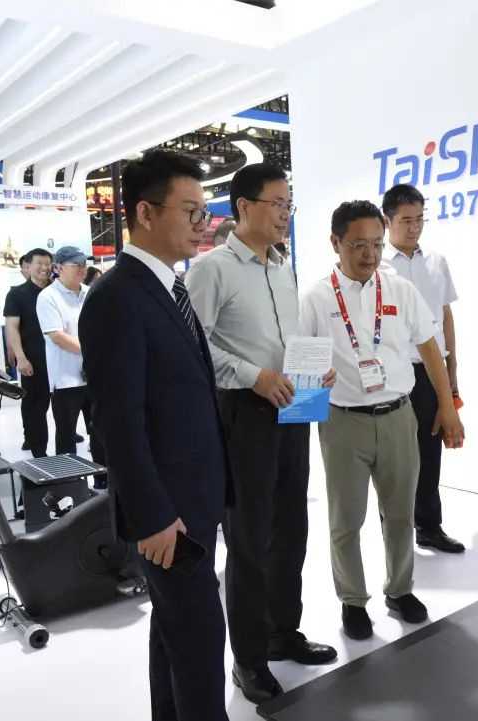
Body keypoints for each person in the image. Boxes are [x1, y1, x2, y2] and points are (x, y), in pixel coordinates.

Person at [79, 149, 231, 721]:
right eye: (190, 211)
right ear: (145, 213)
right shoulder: (117, 296)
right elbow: (116, 422)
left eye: (203, 212)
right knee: (199, 635)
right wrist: (153, 517)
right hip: (167, 513)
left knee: (176, 632)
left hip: (193, 499)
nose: (202, 224)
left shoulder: (169, 288)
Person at [186, 164, 336, 704]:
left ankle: (282, 632)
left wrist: (313, 370)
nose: (285, 215)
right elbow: (194, 345)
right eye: (277, 204)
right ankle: (248, 658)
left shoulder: (282, 266)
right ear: (244, 207)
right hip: (244, 412)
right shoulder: (211, 269)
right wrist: (253, 375)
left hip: (293, 405)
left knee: (291, 527)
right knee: (249, 539)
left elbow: (285, 338)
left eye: (289, 205)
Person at [300, 200, 465, 640]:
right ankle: (353, 601)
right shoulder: (316, 298)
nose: (370, 254)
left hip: (398, 417)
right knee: (346, 521)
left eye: (376, 244)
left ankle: (400, 589)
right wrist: (307, 402)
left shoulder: (399, 290)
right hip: (343, 422)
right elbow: (303, 372)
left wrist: (447, 404)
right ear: (335, 243)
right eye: (359, 245)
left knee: (399, 514)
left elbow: (430, 347)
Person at [380, 185, 466, 553]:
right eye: (406, 221)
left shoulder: (436, 261)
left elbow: (445, 314)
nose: (414, 228)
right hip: (394, 372)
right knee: (395, 458)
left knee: (431, 450)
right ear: (387, 221)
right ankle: (394, 535)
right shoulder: (377, 265)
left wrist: (452, 367)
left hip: (432, 372)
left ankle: (429, 526)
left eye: (419, 220)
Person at [36, 246, 105, 476]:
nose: (82, 269)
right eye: (77, 265)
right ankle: (68, 484)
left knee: (99, 431)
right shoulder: (48, 297)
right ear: (59, 267)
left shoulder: (91, 292)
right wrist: (94, 352)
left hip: (94, 376)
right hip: (66, 379)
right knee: (66, 434)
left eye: (84, 265)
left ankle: (103, 480)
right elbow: (57, 335)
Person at [4, 249, 53, 456]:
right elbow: (12, 327)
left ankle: (67, 454)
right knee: (36, 407)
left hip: (61, 359)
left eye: (47, 264)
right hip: (34, 360)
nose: (44, 268)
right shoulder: (17, 294)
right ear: (28, 266)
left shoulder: (57, 290)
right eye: (39, 263)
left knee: (65, 409)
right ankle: (39, 453)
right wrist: (21, 357)